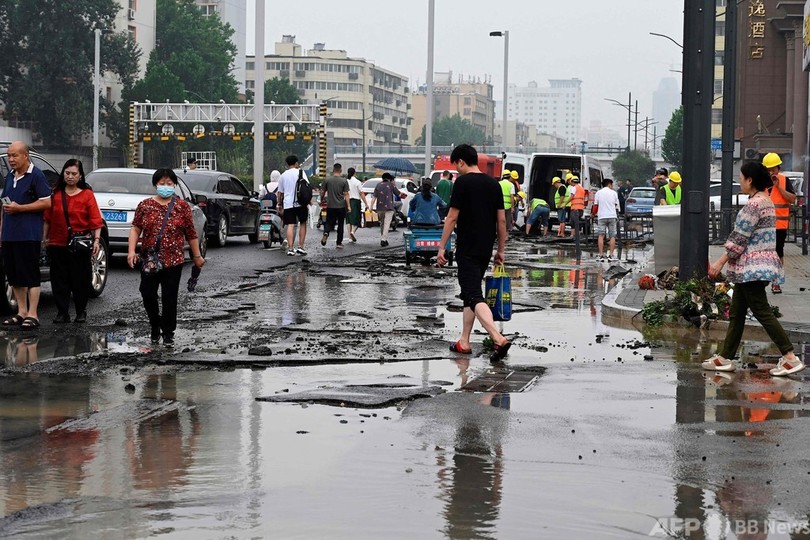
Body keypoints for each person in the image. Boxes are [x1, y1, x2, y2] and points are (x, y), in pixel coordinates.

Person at [702, 162, 804, 376]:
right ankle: (725, 358)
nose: (740, 181)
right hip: (755, 267)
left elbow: (739, 239)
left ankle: (790, 357)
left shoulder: (754, 205)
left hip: (751, 268)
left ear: (750, 180)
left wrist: (719, 262)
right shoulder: (765, 201)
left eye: (741, 177)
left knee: (761, 311)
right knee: (737, 313)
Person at [436, 144, 511, 362]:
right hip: (485, 248)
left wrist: (442, 247)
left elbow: (451, 217)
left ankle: (498, 337)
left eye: (456, 165)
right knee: (470, 293)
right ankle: (464, 341)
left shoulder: (462, 182)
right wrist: (501, 250)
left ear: (460, 161)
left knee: (473, 295)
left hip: (467, 247)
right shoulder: (494, 184)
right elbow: (502, 220)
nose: (456, 169)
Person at [127, 168, 205, 347]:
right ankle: (155, 324)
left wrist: (197, 256)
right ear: (155, 184)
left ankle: (168, 332)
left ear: (175, 185)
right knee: (147, 294)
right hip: (150, 260)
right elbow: (136, 228)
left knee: (170, 297)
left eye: (169, 184)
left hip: (174, 260)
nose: (165, 187)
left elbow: (191, 234)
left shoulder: (182, 207)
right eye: (162, 183)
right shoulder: (145, 205)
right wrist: (131, 251)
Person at [43, 159, 103, 323]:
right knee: (59, 279)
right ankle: (62, 313)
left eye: (74, 174)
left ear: (80, 176)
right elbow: (47, 218)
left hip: (80, 244)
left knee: (80, 279)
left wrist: (96, 240)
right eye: (67, 173)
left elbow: (95, 220)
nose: (70, 177)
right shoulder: (55, 194)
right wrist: (45, 238)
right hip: (57, 243)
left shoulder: (87, 195)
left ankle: (81, 311)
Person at [0, 141, 53, 329]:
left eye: (15, 155)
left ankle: (33, 314)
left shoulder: (36, 175)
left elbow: (47, 203)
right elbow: (4, 206)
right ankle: (21, 312)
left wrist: (20, 208)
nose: (11, 159)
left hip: (28, 234)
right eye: (9, 155)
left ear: (25, 155)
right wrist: (1, 231)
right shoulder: (9, 177)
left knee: (30, 274)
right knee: (14, 275)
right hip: (9, 234)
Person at [763, 152, 795, 294]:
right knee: (763, 253)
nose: (771, 172)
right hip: (764, 225)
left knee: (778, 253)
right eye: (768, 169)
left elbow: (792, 199)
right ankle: (762, 280)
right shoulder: (762, 182)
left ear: (778, 168)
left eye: (773, 169)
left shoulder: (784, 180)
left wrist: (779, 187)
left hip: (779, 226)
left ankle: (776, 282)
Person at [277, 155, 310, 256]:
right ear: (296, 163)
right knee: (303, 223)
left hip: (288, 204)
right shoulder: (301, 172)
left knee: (290, 225)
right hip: (301, 203)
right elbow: (307, 186)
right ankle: (301, 247)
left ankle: (291, 249)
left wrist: (279, 203)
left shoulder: (283, 175)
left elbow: (280, 193)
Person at [320, 163, 350, 248]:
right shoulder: (344, 181)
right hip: (341, 206)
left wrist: (321, 200)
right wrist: (348, 206)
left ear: (333, 170)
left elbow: (322, 192)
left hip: (330, 205)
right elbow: (346, 194)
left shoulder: (327, 179)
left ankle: (326, 232)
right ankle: (339, 243)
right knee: (340, 224)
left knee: (328, 221)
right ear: (340, 170)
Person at [370, 172, 403, 247]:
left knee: (382, 223)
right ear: (389, 178)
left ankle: (383, 238)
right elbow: (399, 194)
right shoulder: (391, 185)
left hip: (380, 207)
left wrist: (371, 206)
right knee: (387, 223)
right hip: (389, 207)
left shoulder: (378, 185)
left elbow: (374, 197)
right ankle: (383, 239)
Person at [593, 178, 620, 261]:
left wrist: (593, 214)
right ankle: (611, 255)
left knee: (601, 235)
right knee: (612, 236)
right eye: (611, 185)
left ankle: (601, 255)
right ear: (609, 185)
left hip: (602, 216)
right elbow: (617, 206)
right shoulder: (614, 193)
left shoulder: (598, 193)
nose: (612, 187)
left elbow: (595, 206)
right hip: (612, 216)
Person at [345, 168, 367, 243]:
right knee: (357, 219)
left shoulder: (346, 182)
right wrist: (366, 203)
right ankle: (353, 232)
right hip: (355, 201)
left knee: (348, 220)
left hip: (347, 201)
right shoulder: (357, 182)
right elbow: (361, 193)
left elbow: (344, 193)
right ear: (355, 173)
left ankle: (349, 237)